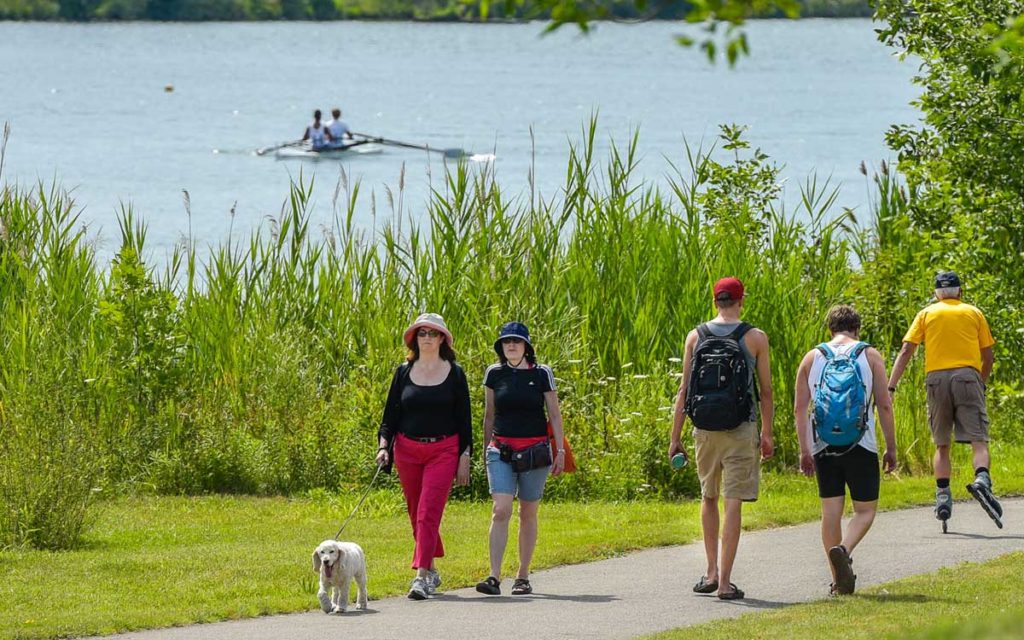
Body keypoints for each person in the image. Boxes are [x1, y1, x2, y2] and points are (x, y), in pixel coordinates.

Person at [668, 277, 774, 601]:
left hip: (704, 430)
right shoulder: (755, 338)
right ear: (741, 301)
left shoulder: (695, 336)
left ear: (715, 301)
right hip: (741, 429)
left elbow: (684, 392)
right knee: (733, 502)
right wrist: (767, 433)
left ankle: (711, 572)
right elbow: (766, 392)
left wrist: (675, 437)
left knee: (708, 497)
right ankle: (726, 583)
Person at [793, 304, 897, 596]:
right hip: (861, 442)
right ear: (857, 328)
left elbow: (800, 409)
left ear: (830, 329)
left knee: (831, 512)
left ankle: (837, 579)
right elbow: (884, 405)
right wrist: (891, 447)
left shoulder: (812, 357)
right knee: (865, 510)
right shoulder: (869, 354)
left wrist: (805, 450)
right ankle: (845, 549)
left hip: (823, 443)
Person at [887, 271, 1001, 527]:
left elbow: (906, 350)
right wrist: (979, 383)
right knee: (978, 440)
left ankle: (942, 496)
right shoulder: (973, 312)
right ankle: (982, 479)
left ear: (937, 293)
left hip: (936, 380)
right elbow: (989, 356)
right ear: (960, 292)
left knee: (941, 445)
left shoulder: (926, 314)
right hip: (968, 376)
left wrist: (890, 387)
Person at [376, 312, 472, 600]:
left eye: (432, 333)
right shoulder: (403, 372)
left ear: (443, 338)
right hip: (406, 450)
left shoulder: (455, 373)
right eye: (422, 333)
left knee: (428, 513)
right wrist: (383, 447)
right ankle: (430, 567)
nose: (427, 338)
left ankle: (420, 577)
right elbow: (389, 417)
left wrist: (465, 455)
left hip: (443, 450)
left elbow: (464, 418)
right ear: (415, 339)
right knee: (416, 513)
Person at [475, 322, 566, 597]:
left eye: (516, 341)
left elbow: (555, 414)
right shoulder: (494, 373)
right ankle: (493, 576)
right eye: (506, 342)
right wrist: (484, 448)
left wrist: (559, 450)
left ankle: (523, 576)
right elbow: (489, 414)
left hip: (535, 451)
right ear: (501, 347)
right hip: (500, 449)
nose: (511, 346)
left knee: (528, 512)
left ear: (527, 346)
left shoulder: (542, 374)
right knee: (501, 509)